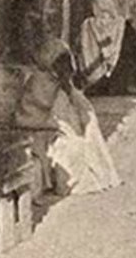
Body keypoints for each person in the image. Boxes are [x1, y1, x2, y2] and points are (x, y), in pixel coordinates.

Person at [14, 36, 121, 197]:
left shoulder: (61, 84)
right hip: (37, 129)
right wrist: (53, 124)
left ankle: (91, 175)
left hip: (54, 128)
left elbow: (82, 110)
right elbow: (29, 114)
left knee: (81, 141)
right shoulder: (39, 81)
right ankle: (69, 182)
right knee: (69, 148)